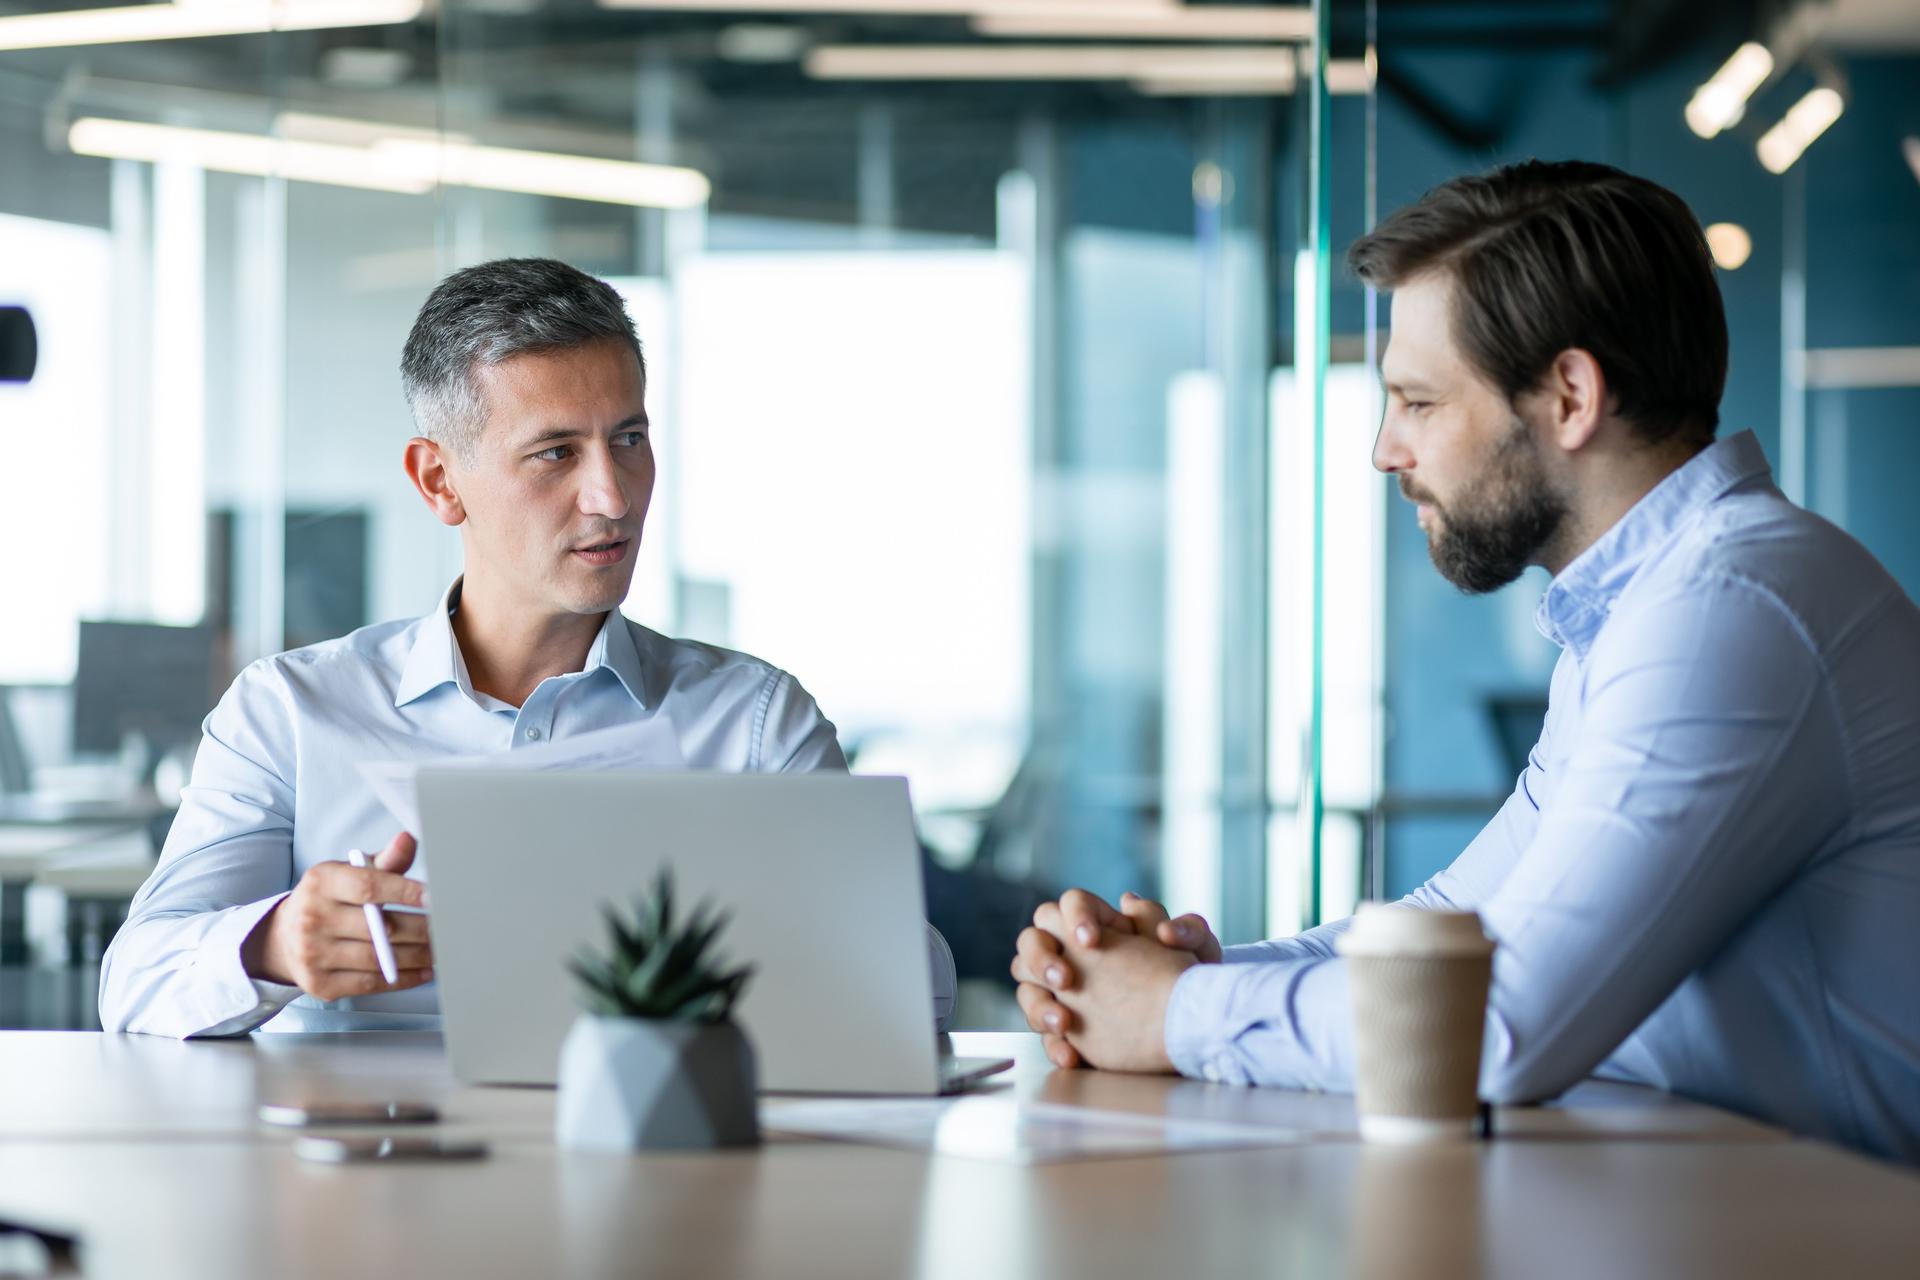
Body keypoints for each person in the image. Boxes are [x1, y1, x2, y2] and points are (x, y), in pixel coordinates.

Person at [1011, 161, 1920, 1163]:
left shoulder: (1730, 610)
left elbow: (1500, 1024)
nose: (1384, 449)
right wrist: (1166, 972)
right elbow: (1450, 930)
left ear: (1570, 395)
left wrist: (1178, 1012)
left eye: (1418, 401)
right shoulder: (1644, 608)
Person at [101, 258, 954, 1036]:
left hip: (657, 1178)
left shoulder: (754, 725)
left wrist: (767, 933)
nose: (612, 496)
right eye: (555, 453)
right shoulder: (290, 712)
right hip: (370, 1183)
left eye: (629, 439)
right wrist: (274, 945)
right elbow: (135, 984)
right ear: (439, 481)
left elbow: (912, 996)